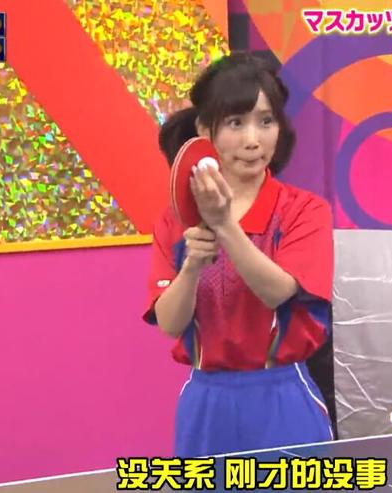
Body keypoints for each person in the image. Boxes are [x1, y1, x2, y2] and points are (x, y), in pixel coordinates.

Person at [143, 52, 334, 457]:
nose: (253, 140)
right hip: (206, 404)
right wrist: (192, 266)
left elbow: (277, 292)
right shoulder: (174, 221)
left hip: (283, 398)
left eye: (266, 121)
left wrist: (224, 226)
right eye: (235, 123)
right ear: (204, 130)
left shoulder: (304, 211)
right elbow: (170, 323)